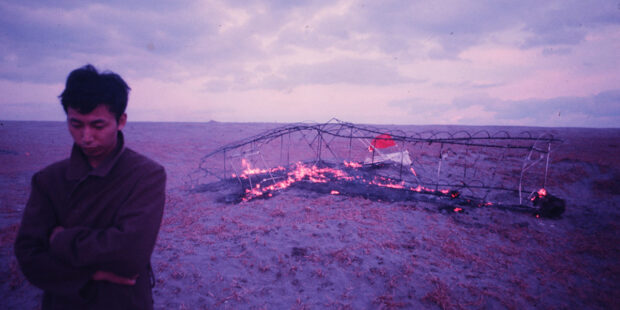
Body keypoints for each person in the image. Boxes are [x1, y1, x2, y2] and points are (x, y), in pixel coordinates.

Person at [14, 64, 166, 309]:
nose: (86, 136)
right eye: (76, 125)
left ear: (121, 121)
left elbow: (130, 255)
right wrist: (96, 274)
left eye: (97, 126)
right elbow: (29, 258)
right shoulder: (48, 180)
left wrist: (61, 239)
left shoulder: (146, 175)